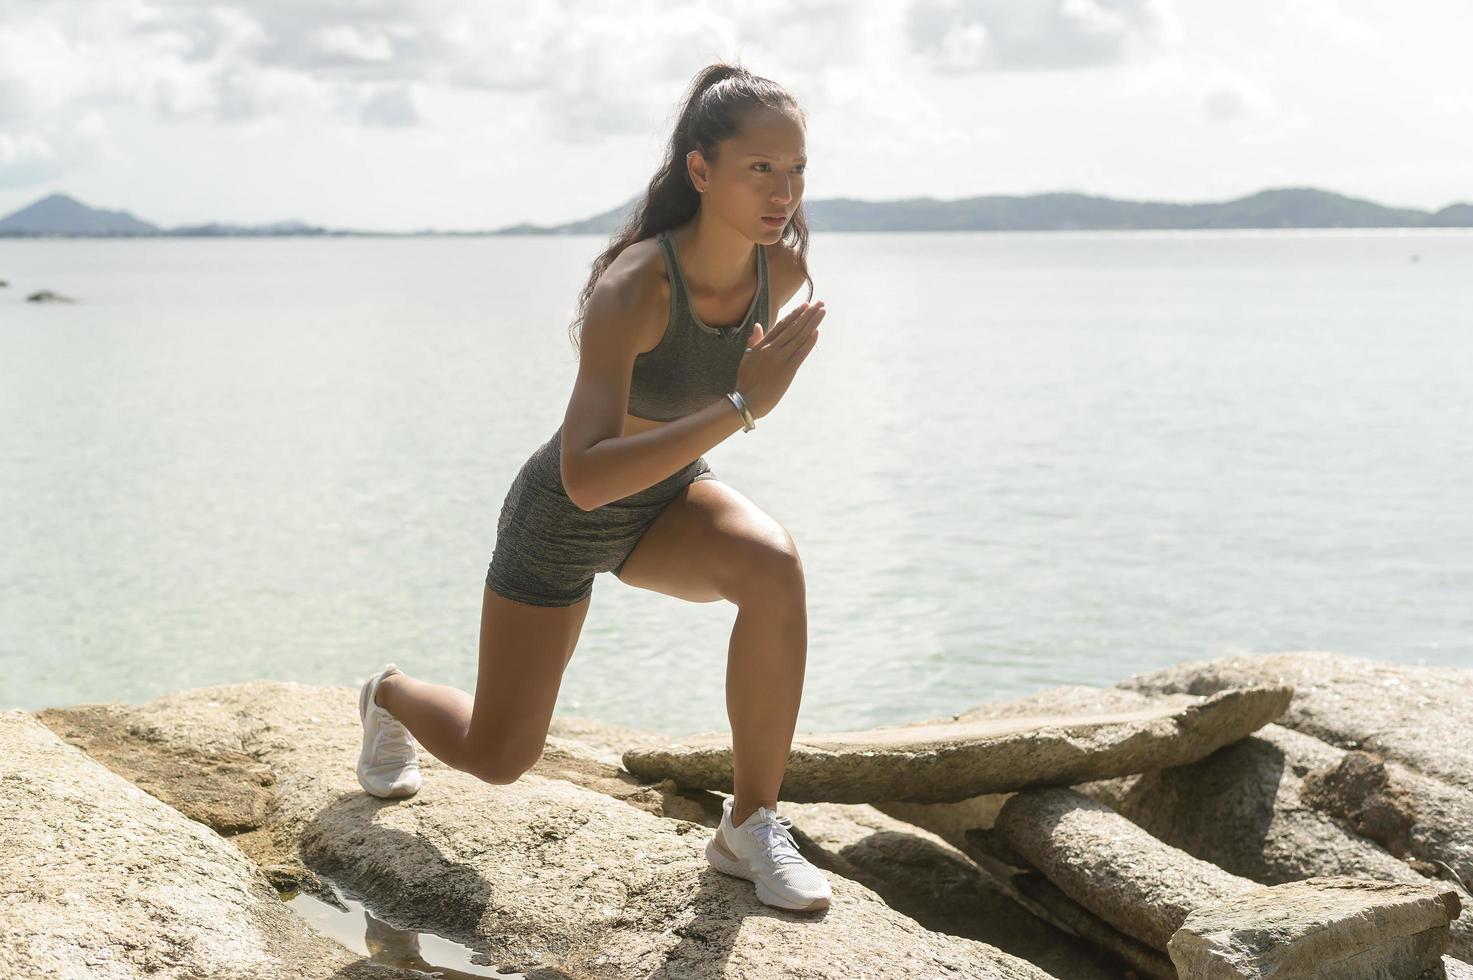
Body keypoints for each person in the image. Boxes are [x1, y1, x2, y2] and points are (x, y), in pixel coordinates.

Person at [355, 62, 830, 912]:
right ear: (701, 170)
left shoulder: (779, 274)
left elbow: (692, 433)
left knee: (774, 568)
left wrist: (734, 409)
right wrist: (740, 406)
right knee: (500, 757)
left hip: (669, 499)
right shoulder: (634, 287)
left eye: (795, 169)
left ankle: (750, 823)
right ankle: (387, 696)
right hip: (561, 519)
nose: (782, 191)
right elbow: (583, 476)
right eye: (760, 168)